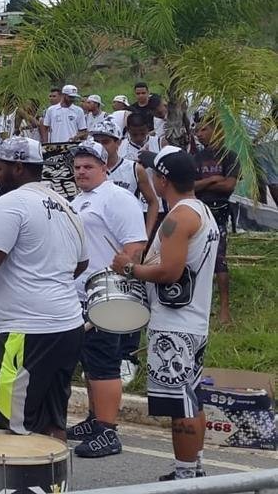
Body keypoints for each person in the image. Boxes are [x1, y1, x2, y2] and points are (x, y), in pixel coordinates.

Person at [0, 137, 88, 440]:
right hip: (68, 326)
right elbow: (80, 264)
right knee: (52, 421)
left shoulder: (10, 204)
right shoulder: (65, 205)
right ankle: (52, 486)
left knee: (12, 424)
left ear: (18, 168)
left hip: (26, 332)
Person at [111, 147, 220, 481]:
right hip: (193, 320)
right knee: (190, 397)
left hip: (177, 324)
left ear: (162, 179)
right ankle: (193, 468)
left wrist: (129, 268)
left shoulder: (178, 217)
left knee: (181, 405)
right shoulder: (201, 211)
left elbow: (170, 272)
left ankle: (186, 475)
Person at [65, 140, 147, 458]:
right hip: (79, 294)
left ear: (104, 168)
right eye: (77, 167)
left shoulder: (117, 197)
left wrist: (118, 280)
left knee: (104, 363)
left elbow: (135, 244)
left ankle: (107, 432)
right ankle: (92, 418)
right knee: (89, 362)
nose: (81, 172)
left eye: (88, 166)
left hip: (105, 294)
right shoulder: (79, 199)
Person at [192, 115, 239, 326]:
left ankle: (225, 310)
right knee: (197, 257)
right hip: (199, 210)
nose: (198, 134)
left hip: (219, 211)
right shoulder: (195, 157)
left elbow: (229, 186)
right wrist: (212, 179)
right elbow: (189, 186)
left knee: (220, 259)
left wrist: (202, 184)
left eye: (203, 130)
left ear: (216, 130)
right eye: (197, 130)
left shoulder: (230, 156)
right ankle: (200, 305)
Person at [91, 119, 159, 238]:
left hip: (128, 235)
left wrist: (146, 235)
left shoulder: (134, 169)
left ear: (118, 142)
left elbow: (153, 202)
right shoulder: (87, 170)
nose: (100, 146)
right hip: (97, 235)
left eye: (105, 142)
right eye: (97, 142)